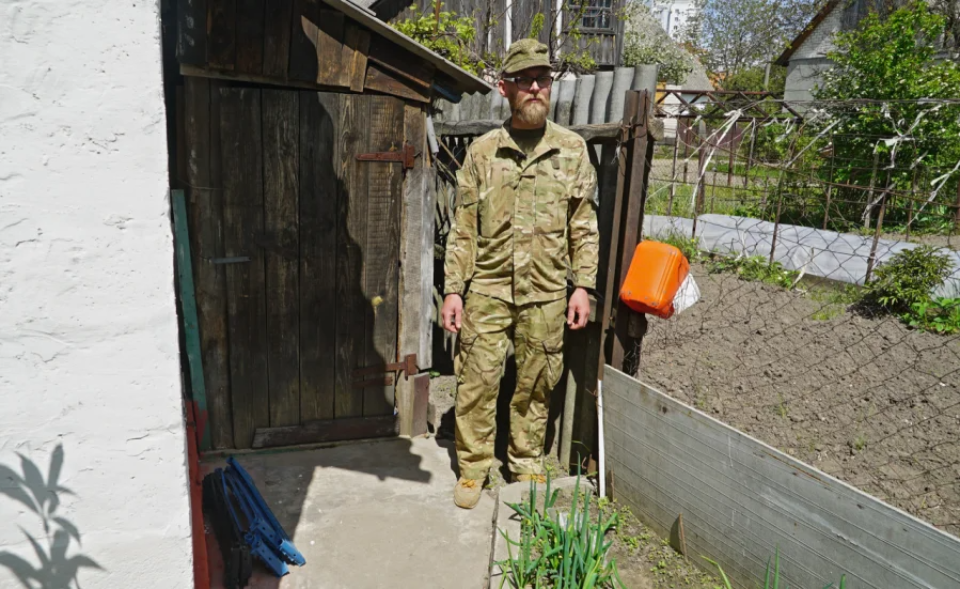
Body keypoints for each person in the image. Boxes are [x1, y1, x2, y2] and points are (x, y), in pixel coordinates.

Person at [441, 38, 600, 509]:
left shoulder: (571, 150)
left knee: (536, 382)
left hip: (548, 291)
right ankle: (472, 468)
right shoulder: (483, 152)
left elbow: (584, 225)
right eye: (525, 79)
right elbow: (463, 229)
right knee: (476, 381)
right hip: (487, 289)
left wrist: (583, 286)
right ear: (504, 87)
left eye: (543, 79)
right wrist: (453, 290)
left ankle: (526, 463)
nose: (535, 86)